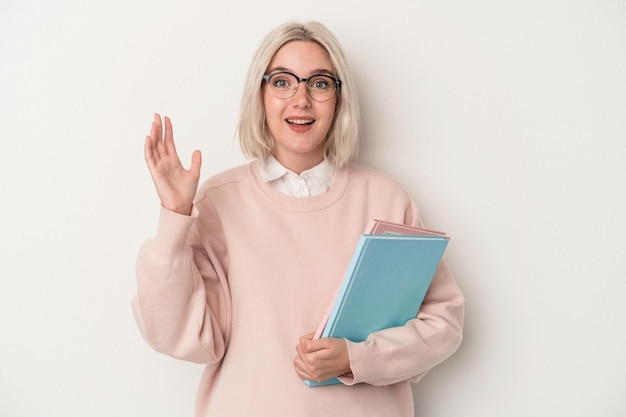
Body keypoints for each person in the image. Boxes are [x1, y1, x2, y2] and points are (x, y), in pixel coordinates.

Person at [132, 20, 464, 417]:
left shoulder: (385, 198)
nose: (301, 99)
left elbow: (443, 323)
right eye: (283, 82)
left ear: (339, 98)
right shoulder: (220, 202)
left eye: (320, 83)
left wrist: (355, 358)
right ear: (260, 94)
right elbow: (178, 336)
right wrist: (175, 215)